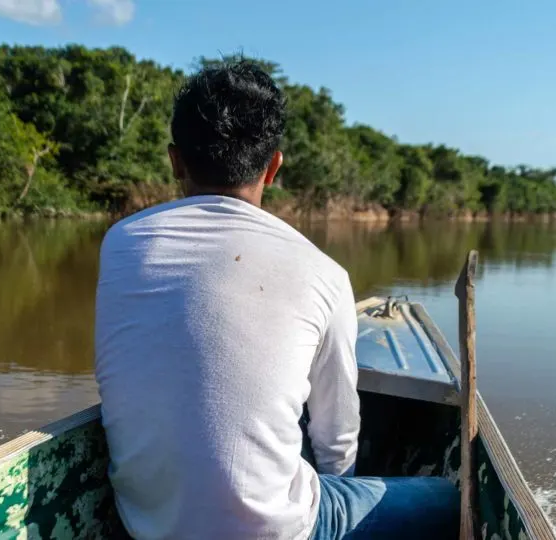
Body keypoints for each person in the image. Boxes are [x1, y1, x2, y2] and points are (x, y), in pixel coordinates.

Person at [95, 60, 459, 540]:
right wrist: (336, 494)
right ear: (273, 168)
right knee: (449, 501)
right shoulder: (324, 274)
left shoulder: (121, 242)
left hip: (144, 525)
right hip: (279, 532)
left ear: (174, 161)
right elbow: (336, 438)